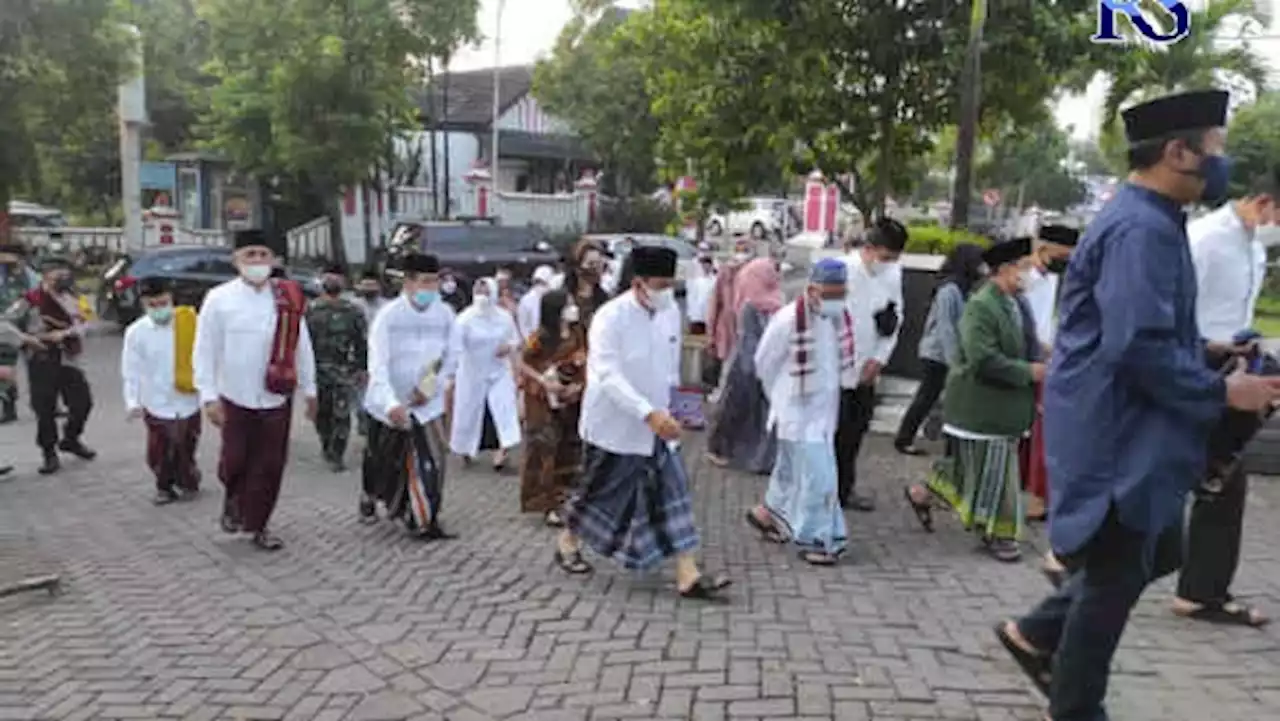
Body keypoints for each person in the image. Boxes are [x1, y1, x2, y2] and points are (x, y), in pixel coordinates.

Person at [993, 89, 1280, 721]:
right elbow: (1137, 349)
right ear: (1178, 152)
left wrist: (1207, 349)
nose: (1221, 166)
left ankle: (1037, 634)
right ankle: (1074, 703)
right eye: (1216, 150)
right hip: (1117, 433)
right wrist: (1224, 390)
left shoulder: (1154, 219)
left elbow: (1140, 330)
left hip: (1126, 423)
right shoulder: (1141, 229)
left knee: (1161, 552)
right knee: (1116, 575)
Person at [555, 245, 731, 600]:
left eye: (671, 283)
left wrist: (678, 409)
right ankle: (567, 539)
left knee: (674, 489)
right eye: (661, 283)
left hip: (659, 426)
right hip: (614, 425)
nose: (667, 291)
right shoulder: (610, 317)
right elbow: (606, 374)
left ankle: (687, 571)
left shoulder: (668, 314)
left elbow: (669, 368)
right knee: (599, 492)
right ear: (638, 283)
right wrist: (646, 412)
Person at [1171, 173, 1280, 627]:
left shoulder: (1255, 245)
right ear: (1264, 202)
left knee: (1222, 480)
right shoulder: (1205, 240)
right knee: (1182, 474)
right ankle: (1073, 557)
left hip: (1231, 366)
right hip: (1195, 366)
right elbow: (1172, 310)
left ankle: (1201, 591)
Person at [902, 238, 1043, 563]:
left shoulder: (1011, 303)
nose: (1028, 274)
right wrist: (1028, 371)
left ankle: (923, 493)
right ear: (1006, 270)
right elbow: (982, 359)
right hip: (981, 406)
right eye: (1023, 267)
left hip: (1001, 407)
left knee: (971, 470)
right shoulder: (982, 305)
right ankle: (999, 532)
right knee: (996, 473)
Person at [193, 229, 318, 551]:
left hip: (276, 395)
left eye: (264, 255)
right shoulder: (219, 299)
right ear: (236, 260)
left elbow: (301, 345)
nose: (258, 261)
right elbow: (204, 350)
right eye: (251, 255)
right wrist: (208, 397)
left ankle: (258, 524)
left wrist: (311, 389)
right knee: (234, 461)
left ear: (273, 260)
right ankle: (233, 499)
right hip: (234, 395)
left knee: (271, 464)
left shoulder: (287, 298)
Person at [746, 258, 855, 566]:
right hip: (796, 413)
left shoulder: (839, 318)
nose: (837, 299)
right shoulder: (786, 320)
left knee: (791, 472)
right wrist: (781, 397)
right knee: (821, 478)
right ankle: (819, 539)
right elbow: (763, 363)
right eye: (831, 293)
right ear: (812, 290)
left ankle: (768, 513)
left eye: (841, 292)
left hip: (824, 413)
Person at [361, 253, 458, 538]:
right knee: (382, 458)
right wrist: (390, 403)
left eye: (435, 281)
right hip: (388, 400)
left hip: (427, 401)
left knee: (432, 459)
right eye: (425, 281)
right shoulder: (388, 317)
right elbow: (377, 364)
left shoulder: (445, 314)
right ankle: (371, 496)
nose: (431, 288)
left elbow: (451, 357)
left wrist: (429, 387)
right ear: (409, 282)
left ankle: (424, 518)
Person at [836, 217, 906, 511]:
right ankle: (824, 493)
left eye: (894, 259)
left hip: (867, 370)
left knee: (855, 432)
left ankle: (844, 490)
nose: (888, 264)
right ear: (869, 248)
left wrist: (879, 358)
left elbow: (894, 317)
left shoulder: (891, 275)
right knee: (831, 436)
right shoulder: (842, 271)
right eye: (885, 257)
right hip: (836, 371)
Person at [893, 243, 986, 455]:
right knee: (927, 396)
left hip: (945, 353)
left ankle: (917, 435)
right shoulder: (950, 290)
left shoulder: (964, 289)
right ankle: (905, 438)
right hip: (937, 353)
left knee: (932, 396)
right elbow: (946, 327)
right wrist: (954, 360)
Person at [6, 256, 96, 475]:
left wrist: (66, 333)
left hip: (68, 358)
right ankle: (49, 453)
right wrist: (27, 339)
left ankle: (71, 438)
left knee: (83, 402)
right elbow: (7, 322)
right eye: (59, 273)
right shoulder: (31, 300)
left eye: (66, 272)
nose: (64, 277)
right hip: (41, 358)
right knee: (44, 408)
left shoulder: (73, 297)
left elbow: (87, 323)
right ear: (46, 275)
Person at [122, 278, 202, 505]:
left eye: (163, 303)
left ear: (172, 300)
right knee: (160, 448)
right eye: (152, 305)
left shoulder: (190, 323)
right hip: (155, 401)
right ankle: (164, 486)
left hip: (188, 398)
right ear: (144, 305)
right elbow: (131, 370)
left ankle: (187, 475)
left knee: (186, 444)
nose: (159, 309)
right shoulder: (136, 333)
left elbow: (206, 359)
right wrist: (132, 401)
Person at [705, 258, 783, 473]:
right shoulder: (753, 301)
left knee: (758, 411)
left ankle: (757, 456)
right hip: (747, 361)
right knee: (736, 405)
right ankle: (722, 449)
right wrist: (712, 337)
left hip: (760, 362)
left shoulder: (771, 299)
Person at [518, 289, 587, 526]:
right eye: (568, 304)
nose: (573, 308)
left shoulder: (578, 334)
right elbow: (522, 362)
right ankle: (547, 504)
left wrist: (576, 386)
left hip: (570, 401)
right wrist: (543, 381)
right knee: (546, 450)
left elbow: (585, 362)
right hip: (542, 402)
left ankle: (565, 500)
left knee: (568, 450)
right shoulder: (540, 337)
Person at [450, 277, 522, 470]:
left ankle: (502, 452)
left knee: (503, 410)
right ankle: (465, 449)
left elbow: (516, 339)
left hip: (499, 372)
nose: (482, 297)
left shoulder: (504, 317)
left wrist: (508, 347)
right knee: (469, 413)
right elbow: (454, 347)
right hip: (472, 374)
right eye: (479, 293)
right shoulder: (464, 319)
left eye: (486, 292)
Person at [306, 263, 368, 471]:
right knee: (322, 413)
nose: (333, 281)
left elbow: (361, 342)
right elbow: (302, 343)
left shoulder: (353, 311)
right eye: (329, 277)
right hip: (316, 370)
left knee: (341, 413)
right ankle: (326, 443)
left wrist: (362, 367)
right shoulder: (310, 310)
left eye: (337, 278)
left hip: (343, 370)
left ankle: (337, 454)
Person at [0, 243, 32, 424]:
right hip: (5, 326)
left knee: (39, 366)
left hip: (27, 323)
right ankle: (8, 405)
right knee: (5, 366)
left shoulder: (29, 276)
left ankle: (46, 403)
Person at [564, 241, 611, 333]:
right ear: (577, 268)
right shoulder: (564, 298)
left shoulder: (605, 300)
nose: (596, 268)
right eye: (591, 263)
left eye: (599, 263)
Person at [517, 265, 556, 342]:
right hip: (533, 340)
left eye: (543, 283)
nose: (540, 286)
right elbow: (523, 324)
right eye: (538, 282)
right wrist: (531, 341)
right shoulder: (526, 300)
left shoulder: (554, 298)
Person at [685, 251, 717, 336]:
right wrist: (691, 314)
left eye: (708, 265)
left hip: (709, 315)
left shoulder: (715, 280)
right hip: (696, 315)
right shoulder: (696, 280)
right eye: (704, 264)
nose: (706, 267)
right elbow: (691, 297)